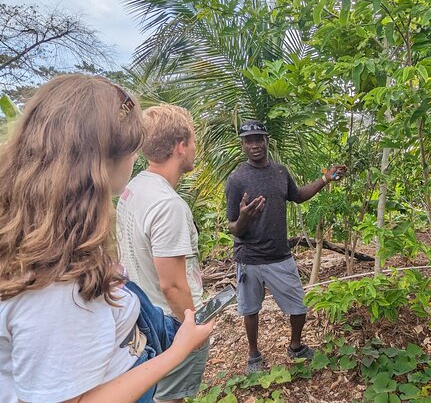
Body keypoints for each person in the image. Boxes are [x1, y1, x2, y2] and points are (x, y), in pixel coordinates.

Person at [0, 74, 213, 403]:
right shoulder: (55, 282)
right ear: (105, 162)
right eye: (131, 149)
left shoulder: (52, 234)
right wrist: (178, 350)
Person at [225, 120, 346, 374]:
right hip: (249, 257)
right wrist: (244, 219)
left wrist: (326, 178)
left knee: (299, 306)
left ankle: (296, 346)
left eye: (259, 139)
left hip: (279, 255)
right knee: (250, 309)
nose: (255, 145)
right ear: (243, 145)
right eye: (249, 141)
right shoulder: (237, 180)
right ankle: (253, 355)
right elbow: (233, 226)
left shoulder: (280, 172)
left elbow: (298, 195)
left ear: (267, 141)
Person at [116, 104, 208, 403]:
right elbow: (172, 285)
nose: (196, 147)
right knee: (170, 398)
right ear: (181, 146)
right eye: (193, 140)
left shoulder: (133, 187)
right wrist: (189, 332)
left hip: (142, 316)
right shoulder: (168, 205)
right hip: (169, 322)